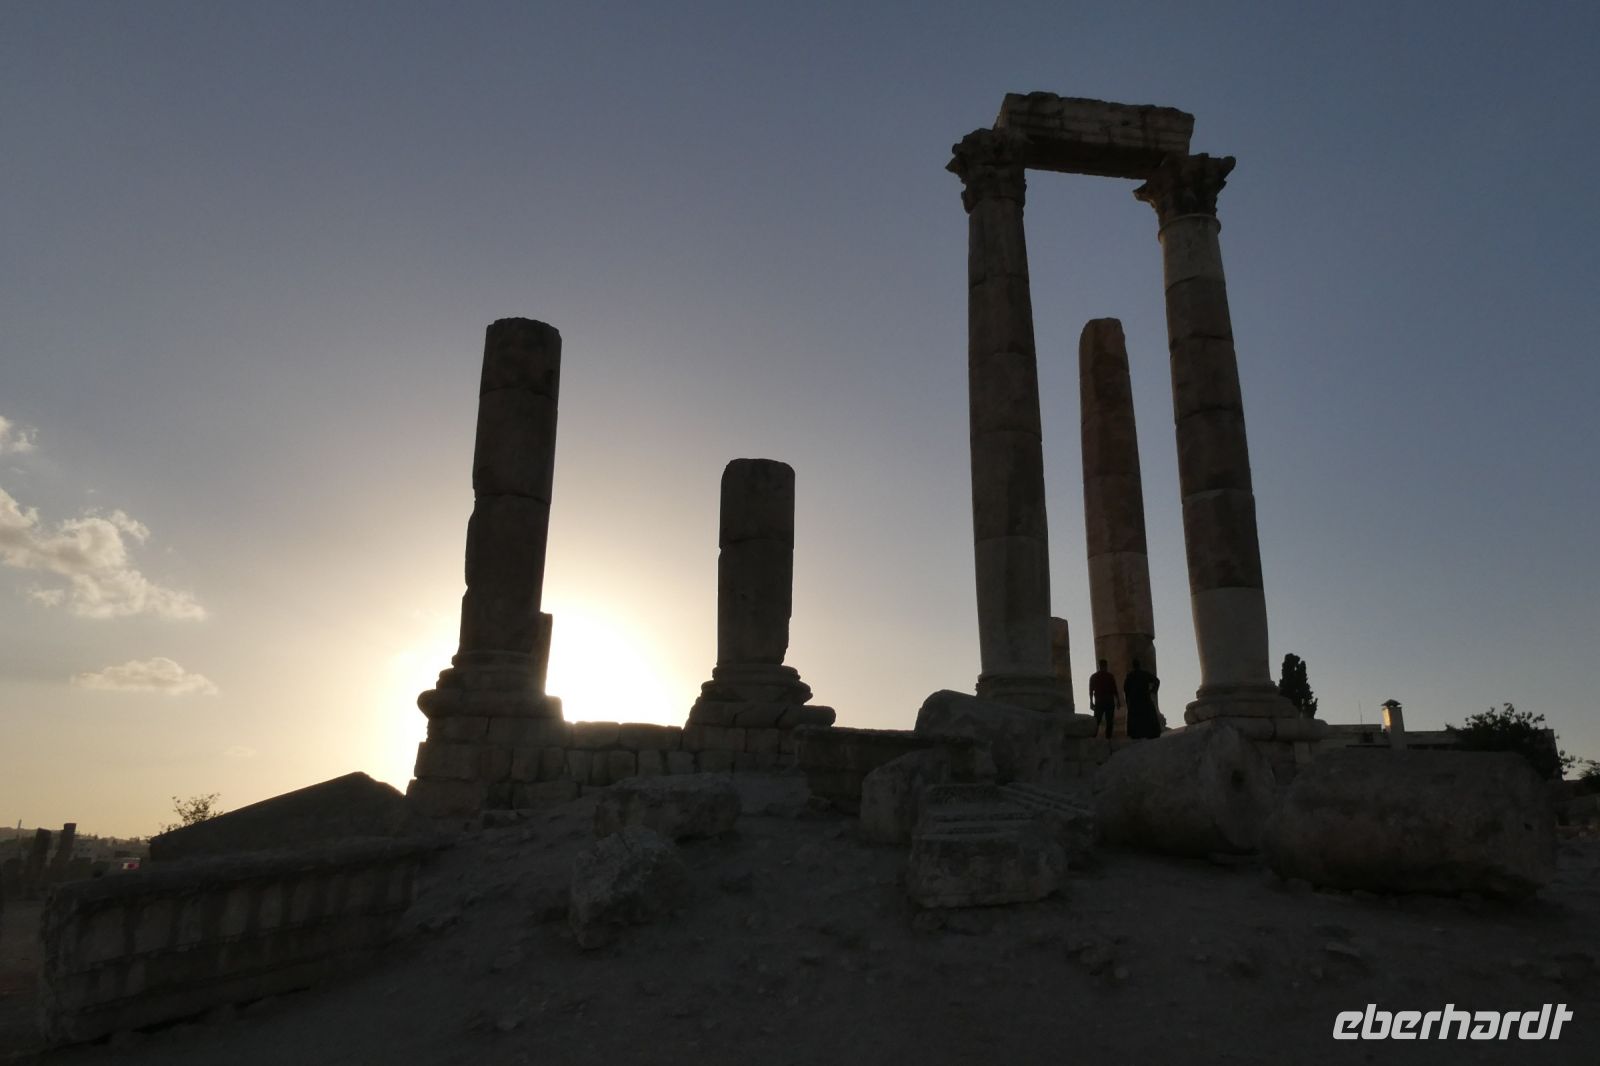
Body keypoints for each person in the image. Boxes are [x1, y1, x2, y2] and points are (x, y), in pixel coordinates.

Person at [1123, 659, 1162, 739]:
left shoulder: (1130, 676)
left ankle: (1137, 735)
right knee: (1148, 716)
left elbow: (1126, 689)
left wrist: (1127, 701)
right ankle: (1150, 733)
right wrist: (1153, 691)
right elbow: (1157, 681)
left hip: (1135, 700)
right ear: (1139, 665)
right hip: (1144, 698)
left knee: (1136, 718)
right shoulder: (1144, 674)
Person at [1087, 658, 1119, 739]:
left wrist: (1091, 702)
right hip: (1107, 700)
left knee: (1098, 721)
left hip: (1101, 700)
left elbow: (1091, 690)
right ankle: (1107, 739)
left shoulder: (1094, 676)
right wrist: (1118, 700)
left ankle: (1094, 737)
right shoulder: (1109, 676)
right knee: (1107, 721)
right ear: (1105, 666)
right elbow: (1115, 689)